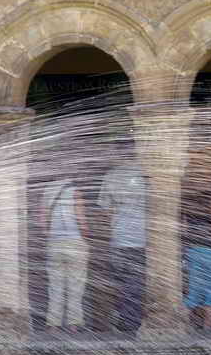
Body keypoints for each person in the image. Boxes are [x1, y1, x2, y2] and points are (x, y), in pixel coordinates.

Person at [98, 142, 147, 333]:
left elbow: (105, 210)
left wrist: (116, 222)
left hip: (119, 238)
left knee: (123, 281)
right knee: (138, 281)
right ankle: (133, 319)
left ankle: (127, 319)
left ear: (119, 153)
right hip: (143, 238)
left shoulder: (111, 176)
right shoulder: (146, 174)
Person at [181, 149, 211, 330]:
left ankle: (183, 323)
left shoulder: (187, 198)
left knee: (194, 288)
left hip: (193, 249)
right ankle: (207, 328)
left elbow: (185, 226)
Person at [42, 177, 90, 334]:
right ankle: (73, 324)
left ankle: (53, 324)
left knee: (55, 286)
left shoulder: (48, 191)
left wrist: (51, 236)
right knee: (75, 285)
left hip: (54, 244)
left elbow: (42, 222)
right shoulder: (75, 192)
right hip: (74, 243)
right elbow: (81, 220)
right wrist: (86, 237)